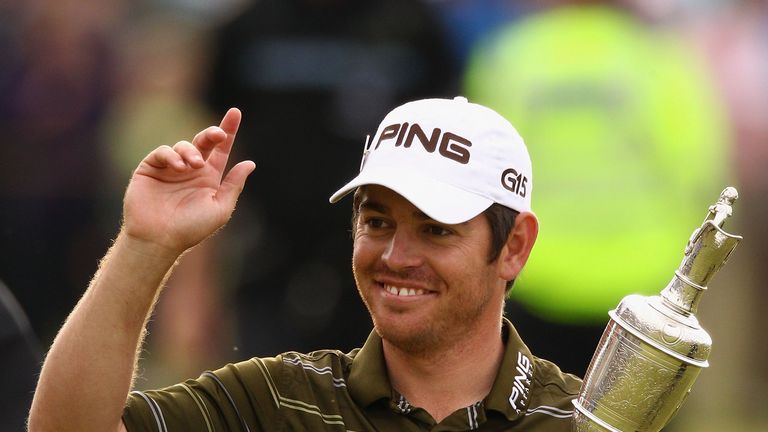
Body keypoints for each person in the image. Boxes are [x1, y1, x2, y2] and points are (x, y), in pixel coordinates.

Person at [29, 97, 581, 431]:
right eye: (378, 221)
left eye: (436, 229)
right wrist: (144, 245)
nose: (396, 256)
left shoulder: (587, 419)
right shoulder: (277, 400)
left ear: (514, 247)